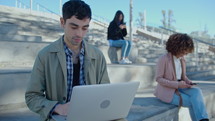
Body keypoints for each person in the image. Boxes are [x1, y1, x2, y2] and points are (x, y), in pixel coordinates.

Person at [25, 1, 112, 121]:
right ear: (62, 22)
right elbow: (32, 96)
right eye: (74, 27)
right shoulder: (45, 55)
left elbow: (105, 93)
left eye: (84, 28)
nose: (79, 34)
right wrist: (57, 107)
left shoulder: (98, 56)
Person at [154, 33, 209, 121]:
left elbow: (183, 76)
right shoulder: (163, 59)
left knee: (197, 91)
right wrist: (177, 84)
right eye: (184, 51)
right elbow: (159, 79)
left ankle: (203, 119)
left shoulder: (182, 59)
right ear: (177, 48)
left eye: (187, 52)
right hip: (167, 91)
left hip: (180, 86)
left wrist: (188, 82)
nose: (185, 54)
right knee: (193, 102)